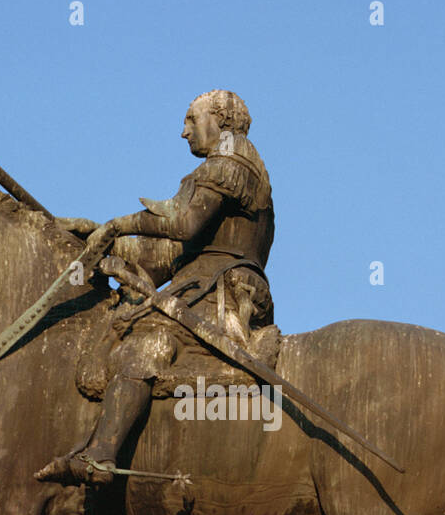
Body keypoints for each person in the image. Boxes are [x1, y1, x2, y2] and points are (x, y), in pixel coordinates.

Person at [36, 89, 276, 486]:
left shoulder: (230, 163)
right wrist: (98, 235)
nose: (183, 132)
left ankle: (101, 455)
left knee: (144, 344)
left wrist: (118, 225)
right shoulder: (228, 168)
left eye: (191, 120)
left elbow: (183, 226)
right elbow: (171, 252)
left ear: (221, 121)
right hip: (203, 282)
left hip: (221, 292)